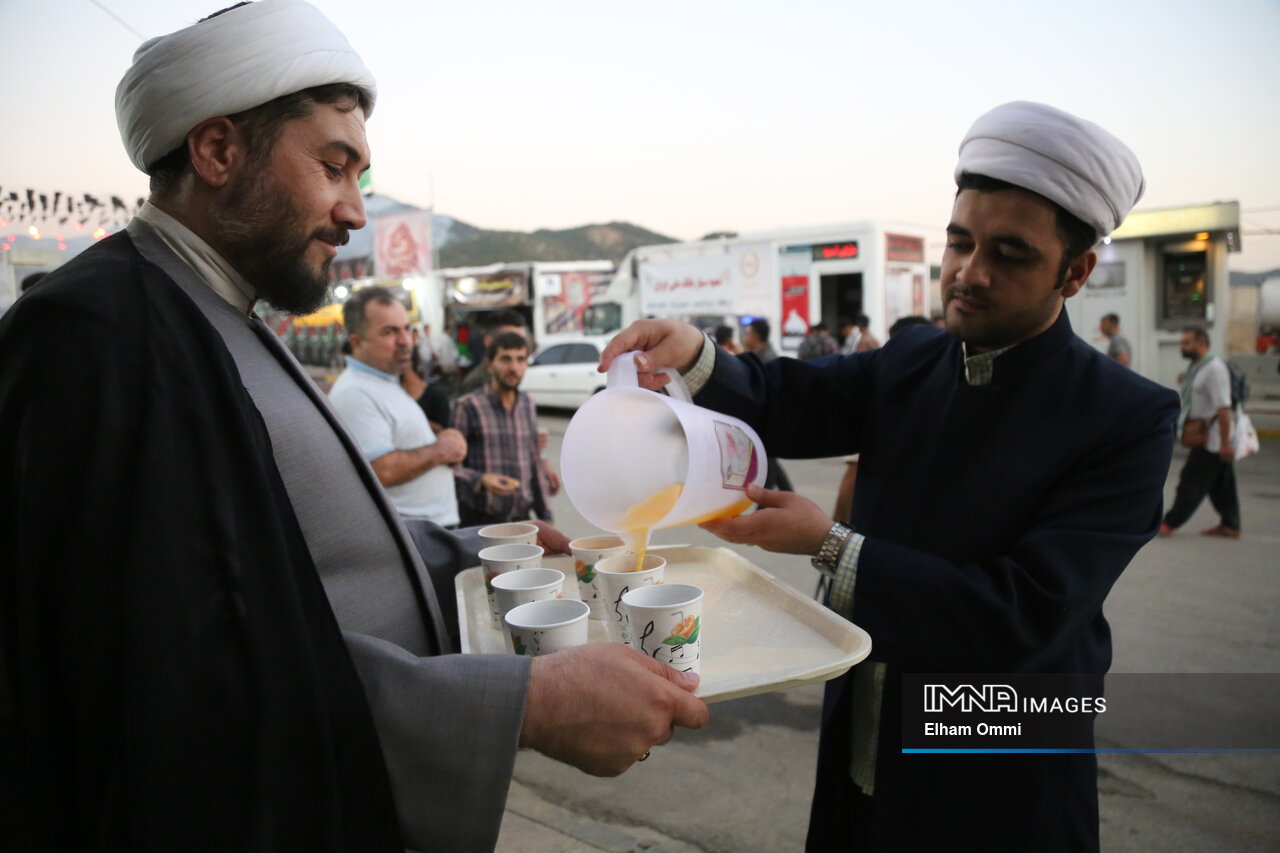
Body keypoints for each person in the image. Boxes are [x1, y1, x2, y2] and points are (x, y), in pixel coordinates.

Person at [0, 3, 707, 850]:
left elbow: (304, 550)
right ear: (218, 151)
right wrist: (521, 703)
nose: (355, 212)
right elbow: (171, 677)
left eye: (360, 178)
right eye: (334, 168)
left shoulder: (219, 309)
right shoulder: (97, 332)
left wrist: (480, 548)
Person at [600, 101, 1178, 852]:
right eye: (961, 241)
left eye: (1009, 253)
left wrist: (832, 544)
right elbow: (793, 398)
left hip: (999, 768)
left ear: (1075, 272)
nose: (970, 272)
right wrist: (696, 355)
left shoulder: (1125, 416)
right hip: (864, 743)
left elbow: (1025, 614)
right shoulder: (912, 361)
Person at [329, 286, 465, 525]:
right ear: (357, 342)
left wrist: (435, 435)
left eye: (406, 329)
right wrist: (442, 450)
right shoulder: (355, 392)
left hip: (427, 528)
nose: (405, 341)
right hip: (413, 532)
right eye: (390, 332)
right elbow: (383, 469)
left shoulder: (384, 381)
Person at [453, 332, 555, 526]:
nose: (514, 368)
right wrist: (481, 480)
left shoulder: (528, 404)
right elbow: (450, 468)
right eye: (505, 359)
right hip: (480, 522)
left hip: (521, 519)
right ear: (489, 364)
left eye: (520, 360)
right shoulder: (467, 406)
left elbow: (534, 462)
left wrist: (546, 517)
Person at [1160, 326, 1241, 538]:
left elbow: (1224, 409)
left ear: (1202, 343)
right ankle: (1231, 524)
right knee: (1222, 485)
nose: (1182, 346)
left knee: (1190, 481)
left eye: (1187, 342)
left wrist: (1225, 443)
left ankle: (1169, 522)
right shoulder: (1197, 368)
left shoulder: (1214, 368)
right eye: (1182, 342)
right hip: (1206, 437)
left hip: (1211, 439)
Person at [459, 308, 527, 394]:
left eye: (522, 341)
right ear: (488, 342)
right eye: (510, 340)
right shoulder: (476, 385)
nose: (514, 367)